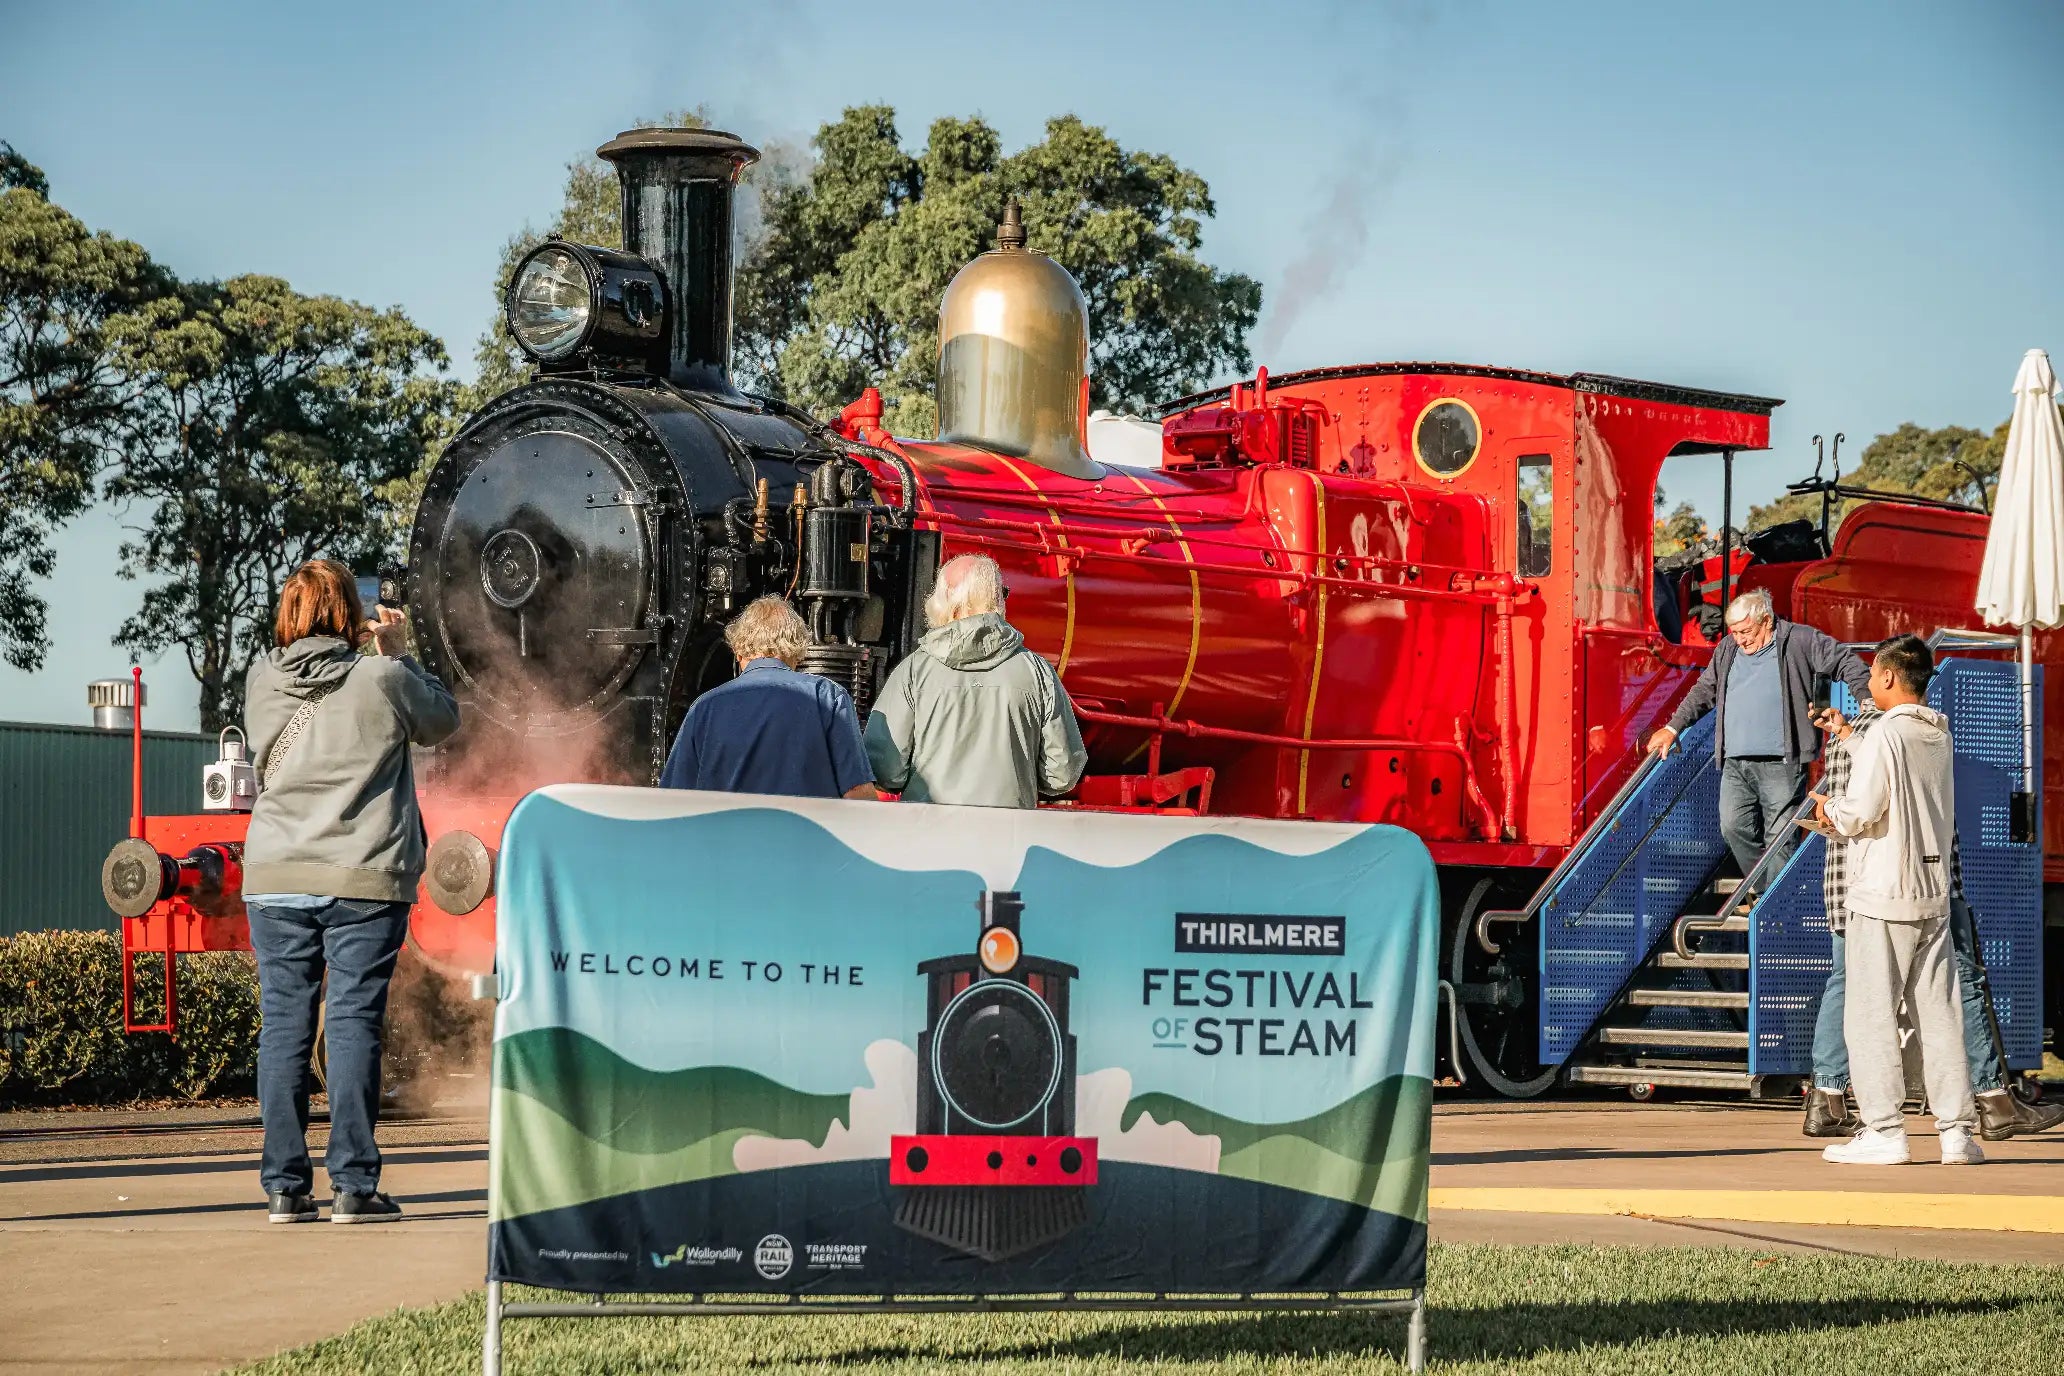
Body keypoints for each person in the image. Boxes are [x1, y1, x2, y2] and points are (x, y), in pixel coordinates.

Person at [242, 560, 460, 1224]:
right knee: (352, 1022)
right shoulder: (384, 677)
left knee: (284, 1024)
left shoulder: (259, 679)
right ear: (350, 614)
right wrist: (397, 651)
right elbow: (444, 721)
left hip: (276, 874)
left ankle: (283, 1186)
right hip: (363, 875)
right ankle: (354, 1186)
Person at [1804, 702, 2064, 1141]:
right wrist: (1838, 811)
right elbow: (1870, 807)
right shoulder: (1916, 730)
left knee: (1855, 989)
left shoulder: (1867, 733)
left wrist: (1845, 739)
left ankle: (1830, 1098)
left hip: (1862, 887)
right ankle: (1982, 1105)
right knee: (1952, 991)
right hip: (1913, 888)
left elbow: (1870, 790)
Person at [1810, 635, 1980, 1165]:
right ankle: (1957, 1132)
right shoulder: (1935, 734)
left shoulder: (1885, 733)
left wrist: (1827, 812)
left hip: (1883, 890)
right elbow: (1899, 775)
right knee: (1939, 1014)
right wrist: (1849, 737)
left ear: (1886, 677)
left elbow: (1861, 810)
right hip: (1930, 893)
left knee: (1870, 1014)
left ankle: (1884, 1129)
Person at [1646, 587, 1874, 884]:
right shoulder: (1728, 648)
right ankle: (1766, 891)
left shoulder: (1800, 640)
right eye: (1735, 631)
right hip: (1735, 762)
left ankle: (1772, 912)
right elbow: (1704, 691)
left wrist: (1868, 702)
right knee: (1732, 827)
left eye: (1745, 631)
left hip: (1782, 762)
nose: (1739, 638)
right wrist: (1672, 727)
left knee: (1780, 836)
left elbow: (1844, 661)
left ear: (1766, 621)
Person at [865, 553, 1088, 807]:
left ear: (944, 599)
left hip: (927, 834)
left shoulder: (914, 671)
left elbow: (885, 769)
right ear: (997, 598)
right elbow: (1062, 775)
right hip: (1009, 836)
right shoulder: (1037, 672)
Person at [659, 595, 876, 800]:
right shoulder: (829, 697)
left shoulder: (704, 708)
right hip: (806, 838)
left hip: (727, 838)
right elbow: (857, 794)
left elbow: (674, 800)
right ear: (797, 649)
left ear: (738, 650)